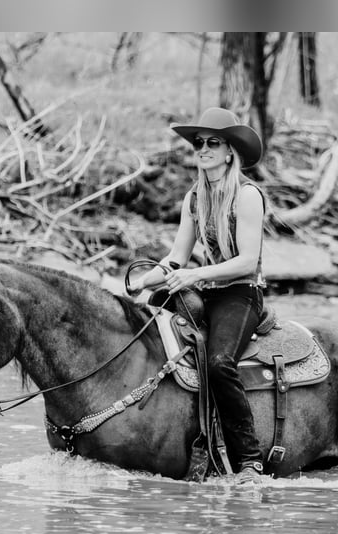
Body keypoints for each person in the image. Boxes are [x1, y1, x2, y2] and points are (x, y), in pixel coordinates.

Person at [128, 107, 266, 485]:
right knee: (149, 333)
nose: (202, 149)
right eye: (199, 143)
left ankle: (250, 460)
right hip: (205, 288)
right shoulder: (194, 198)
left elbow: (247, 261)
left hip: (242, 294)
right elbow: (175, 258)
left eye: (212, 143)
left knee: (220, 362)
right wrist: (141, 283)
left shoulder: (248, 195)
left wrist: (195, 274)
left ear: (229, 152)